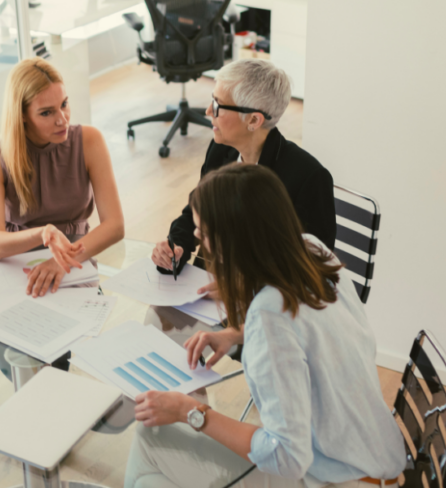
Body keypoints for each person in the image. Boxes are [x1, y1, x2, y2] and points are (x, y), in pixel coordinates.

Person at [125, 164, 405, 488]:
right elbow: (306, 328)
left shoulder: (268, 317)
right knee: (149, 478)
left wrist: (192, 411)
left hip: (331, 478)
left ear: (230, 240)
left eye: (203, 233)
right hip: (373, 461)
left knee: (150, 440)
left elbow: (286, 456)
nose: (198, 239)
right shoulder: (313, 250)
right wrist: (234, 334)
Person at [152, 59, 336, 298]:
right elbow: (196, 213)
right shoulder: (220, 151)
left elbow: (313, 271)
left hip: (271, 305)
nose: (208, 111)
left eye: (218, 105)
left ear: (253, 120)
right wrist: (175, 247)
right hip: (210, 290)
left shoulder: (308, 178)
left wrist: (242, 287)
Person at [0, 57, 125, 298]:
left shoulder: (89, 141)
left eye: (64, 104)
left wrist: (62, 261)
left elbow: (115, 226)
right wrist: (42, 232)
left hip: (76, 260)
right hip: (15, 265)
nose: (62, 119)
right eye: (46, 112)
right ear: (22, 115)